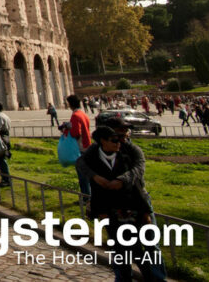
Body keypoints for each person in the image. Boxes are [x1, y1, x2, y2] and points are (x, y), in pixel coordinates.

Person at [77, 124, 166, 282]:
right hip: (111, 208)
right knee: (120, 247)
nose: (122, 139)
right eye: (118, 136)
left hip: (136, 202)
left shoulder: (130, 151)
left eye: (125, 135)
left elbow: (138, 173)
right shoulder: (95, 153)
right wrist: (95, 177)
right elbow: (81, 164)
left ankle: (156, 278)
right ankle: (124, 278)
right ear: (104, 140)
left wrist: (121, 180)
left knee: (149, 244)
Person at [67, 94, 92, 199]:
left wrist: (66, 130)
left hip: (80, 147)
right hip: (87, 145)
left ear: (70, 104)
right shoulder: (83, 114)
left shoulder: (75, 115)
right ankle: (89, 196)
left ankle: (86, 198)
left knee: (82, 176)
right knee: (87, 174)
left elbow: (75, 133)